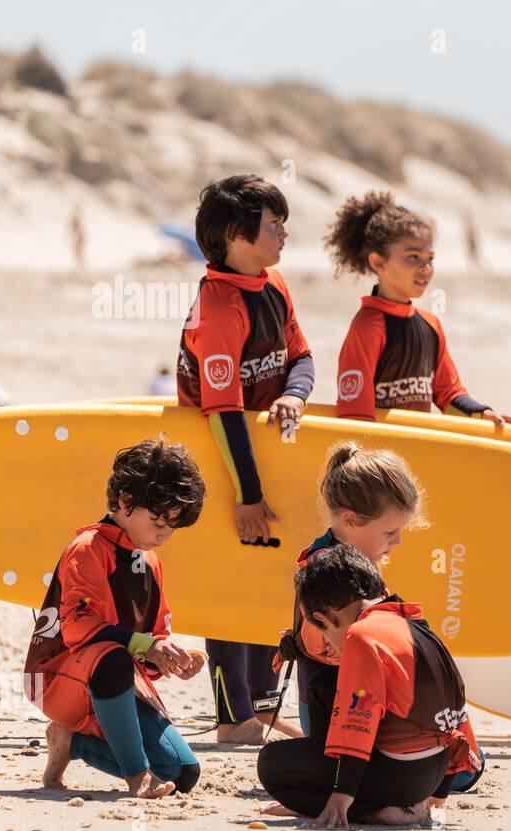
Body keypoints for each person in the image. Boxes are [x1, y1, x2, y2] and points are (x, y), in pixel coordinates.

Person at [176, 173, 313, 744]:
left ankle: (261, 708)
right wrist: (247, 495)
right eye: (273, 223)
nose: (284, 231)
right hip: (221, 459)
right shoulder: (220, 307)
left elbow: (303, 356)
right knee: (230, 584)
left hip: (262, 455)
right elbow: (222, 410)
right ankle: (233, 719)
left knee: (271, 580)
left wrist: (292, 394)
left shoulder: (274, 284)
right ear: (236, 234)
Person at [272, 441, 485, 793]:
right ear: (350, 520)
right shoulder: (325, 571)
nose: (398, 541)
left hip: (366, 699)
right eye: (389, 532)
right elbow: (326, 649)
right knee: (452, 771)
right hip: (337, 699)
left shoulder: (358, 563)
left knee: (464, 768)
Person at [27, 438, 207, 797]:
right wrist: (146, 646)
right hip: (57, 679)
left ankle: (69, 740)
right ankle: (135, 778)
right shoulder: (88, 549)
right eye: (158, 521)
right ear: (125, 501)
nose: (164, 534)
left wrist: (172, 658)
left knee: (183, 773)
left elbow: (151, 641)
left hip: (113, 684)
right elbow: (80, 628)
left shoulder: (150, 560)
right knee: (112, 658)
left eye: (172, 526)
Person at [258, 545, 481, 827]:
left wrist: (341, 796)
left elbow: (357, 722)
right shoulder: (414, 623)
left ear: (324, 618)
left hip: (398, 775)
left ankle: (379, 812)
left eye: (324, 633)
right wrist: (440, 790)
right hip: (432, 770)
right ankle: (407, 804)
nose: (329, 643)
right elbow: (456, 709)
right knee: (324, 684)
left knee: (272, 764)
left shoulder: (361, 636)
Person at [323, 191, 511, 429]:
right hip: (380, 460)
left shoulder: (430, 324)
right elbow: (355, 410)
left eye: (429, 258)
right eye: (413, 257)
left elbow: (448, 394)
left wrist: (483, 414)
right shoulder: (368, 325)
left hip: (417, 452)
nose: (425, 267)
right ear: (378, 262)